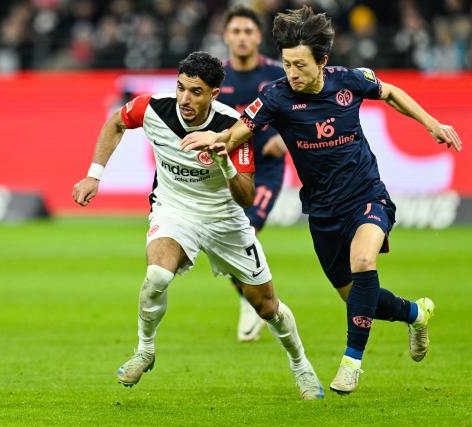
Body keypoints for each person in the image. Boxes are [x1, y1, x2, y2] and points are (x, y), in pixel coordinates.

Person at [180, 6, 462, 395]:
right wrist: (215, 141)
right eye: (286, 64)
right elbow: (240, 130)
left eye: (300, 65)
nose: (292, 73)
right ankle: (416, 313)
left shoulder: (349, 81)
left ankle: (351, 363)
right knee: (360, 298)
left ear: (322, 62)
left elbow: (392, 92)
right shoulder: (275, 96)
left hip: (367, 196)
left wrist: (432, 123)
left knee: (363, 261)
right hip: (321, 210)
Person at [72, 51, 324, 400]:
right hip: (174, 210)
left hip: (224, 219)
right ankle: (145, 349)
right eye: (180, 88)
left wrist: (226, 163)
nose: (185, 99)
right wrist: (93, 175)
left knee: (267, 306)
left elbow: (246, 198)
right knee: (157, 276)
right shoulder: (152, 108)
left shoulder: (233, 126)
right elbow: (115, 122)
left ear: (214, 94)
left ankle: (301, 365)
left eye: (195, 91)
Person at [218, 5, 288, 343]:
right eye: (236, 31)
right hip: (228, 172)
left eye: (248, 31)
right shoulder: (215, 78)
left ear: (259, 37)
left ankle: (257, 300)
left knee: (245, 229)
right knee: (224, 240)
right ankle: (250, 296)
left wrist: (283, 136)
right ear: (226, 36)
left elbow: (299, 113)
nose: (243, 37)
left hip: (266, 170)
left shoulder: (277, 75)